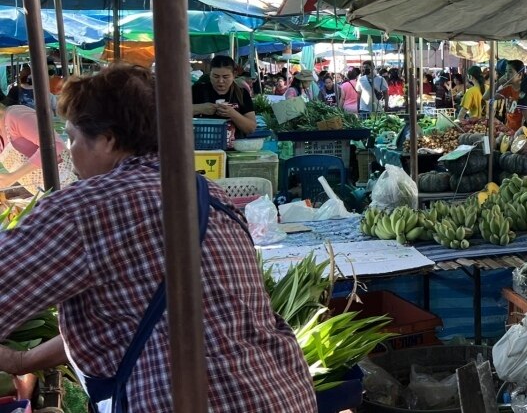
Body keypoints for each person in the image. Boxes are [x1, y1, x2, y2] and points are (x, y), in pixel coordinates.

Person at [0, 65, 317, 411]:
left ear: (107, 140)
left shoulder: (83, 208)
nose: (71, 153)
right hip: (283, 393)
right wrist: (21, 361)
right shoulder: (207, 193)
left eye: (74, 138)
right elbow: (143, 317)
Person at [0, 105, 72, 192]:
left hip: (68, 183)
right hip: (44, 193)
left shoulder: (15, 115)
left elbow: (55, 145)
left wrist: (13, 176)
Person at [192, 55, 257, 136]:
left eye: (225, 77)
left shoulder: (242, 94)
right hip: (202, 144)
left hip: (234, 146)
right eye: (216, 76)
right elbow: (175, 113)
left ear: (234, 75)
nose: (220, 81)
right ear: (210, 74)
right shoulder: (197, 90)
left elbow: (251, 128)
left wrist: (233, 114)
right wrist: (199, 108)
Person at [495, 60, 526, 132]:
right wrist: (500, 81)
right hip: (508, 130)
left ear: (520, 75)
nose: (507, 74)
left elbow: (525, 116)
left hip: (519, 132)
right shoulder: (508, 89)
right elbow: (487, 96)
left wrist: (520, 133)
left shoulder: (525, 92)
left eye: (510, 72)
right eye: (506, 71)